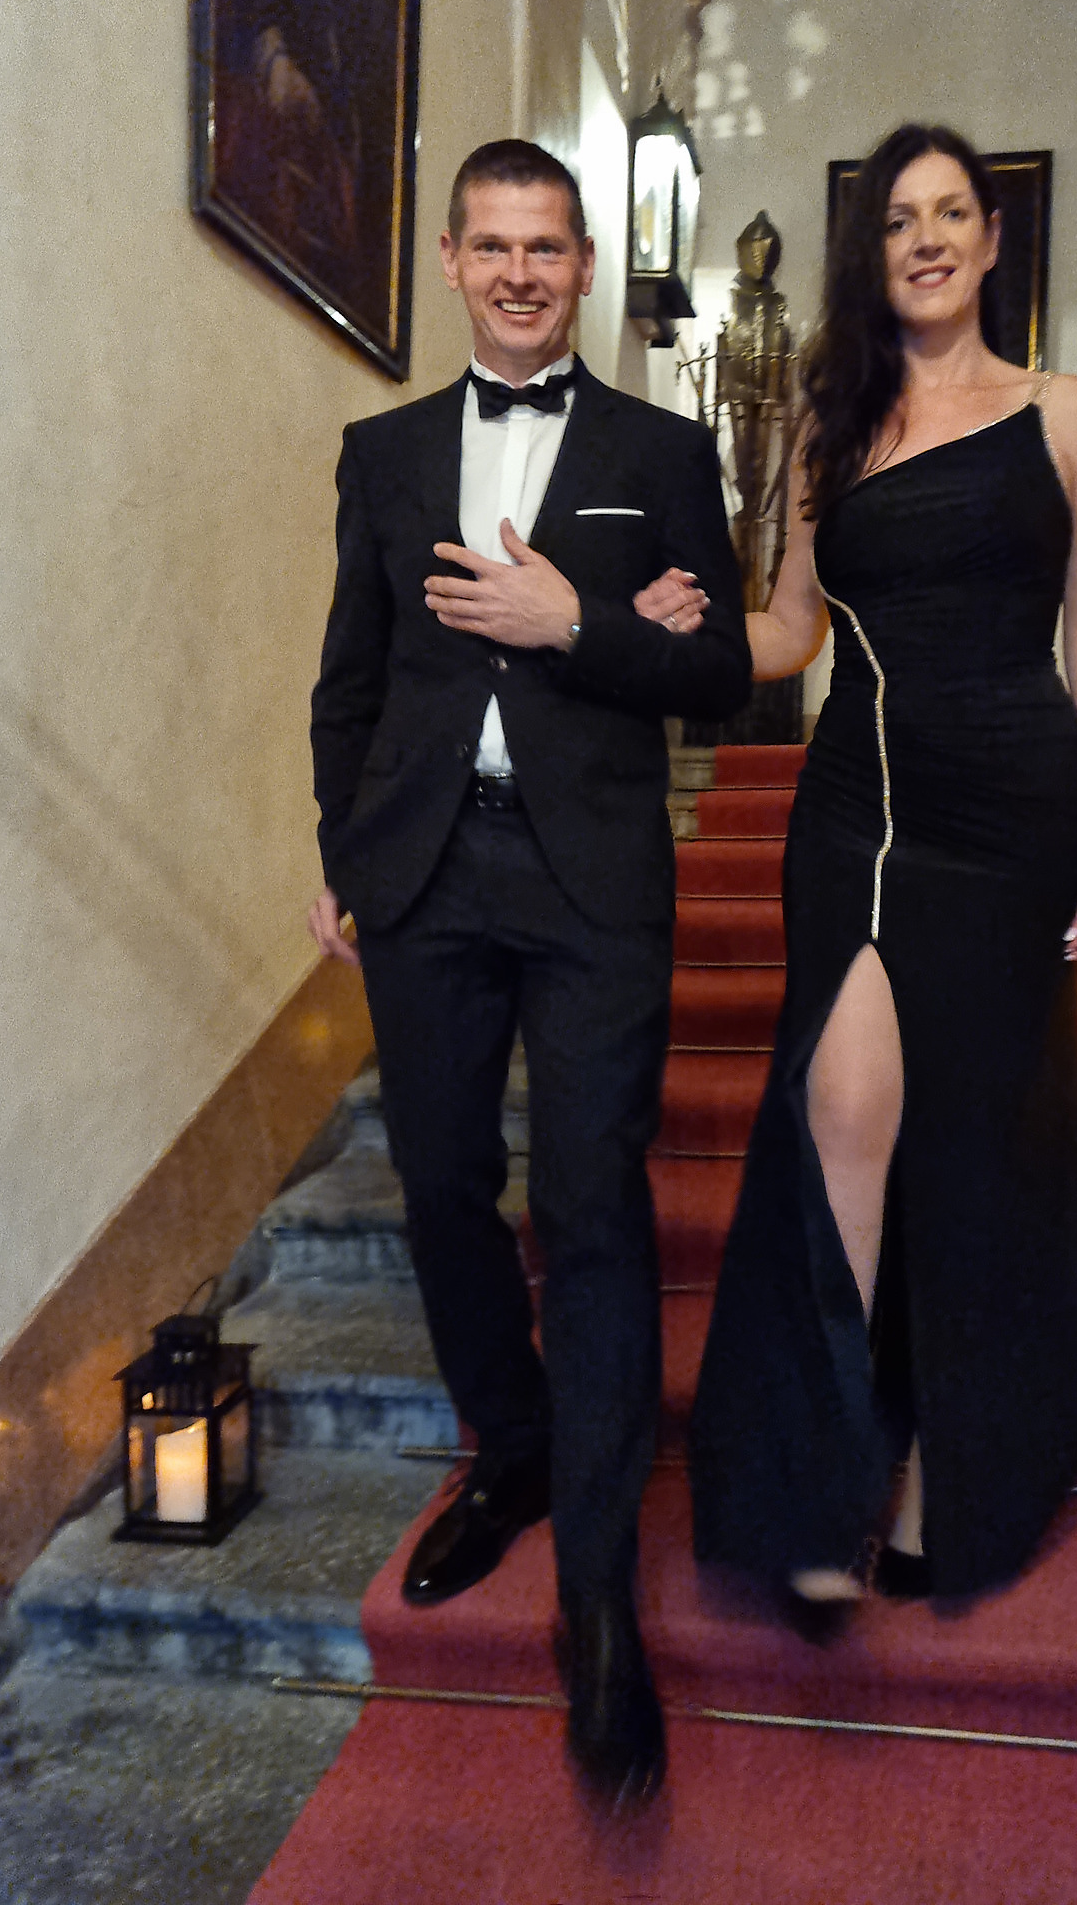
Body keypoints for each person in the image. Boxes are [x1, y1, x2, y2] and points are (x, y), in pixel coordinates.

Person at [307, 138, 749, 1807]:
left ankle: (600, 1597)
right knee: (438, 1180)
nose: (517, 273)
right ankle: (514, 1446)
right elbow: (349, 680)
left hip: (590, 881)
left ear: (581, 265)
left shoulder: (662, 451)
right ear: (449, 258)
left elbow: (718, 672)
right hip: (424, 871)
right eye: (490, 246)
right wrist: (346, 855)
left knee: (593, 1202)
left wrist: (579, 623)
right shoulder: (383, 453)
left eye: (545, 247)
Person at [675, 122, 1077, 1612]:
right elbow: (791, 628)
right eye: (898, 220)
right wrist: (673, 629)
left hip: (1013, 809)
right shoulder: (832, 425)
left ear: (993, 242)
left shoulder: (1067, 413)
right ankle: (824, 1482)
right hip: (857, 808)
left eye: (951, 214)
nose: (927, 239)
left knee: (981, 1141)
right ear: (869, 252)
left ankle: (953, 1465)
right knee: (845, 1106)